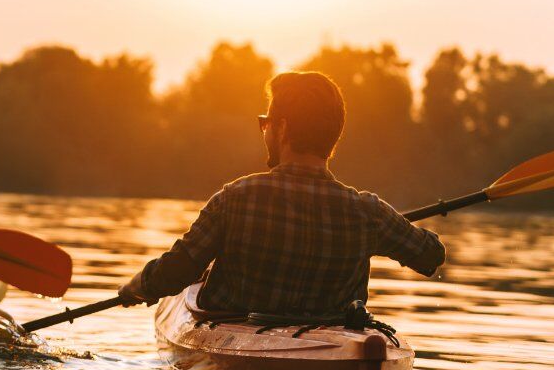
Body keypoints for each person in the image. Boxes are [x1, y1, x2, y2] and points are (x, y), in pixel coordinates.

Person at [119, 71, 445, 319]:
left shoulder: (236, 199)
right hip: (328, 346)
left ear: (284, 129)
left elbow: (177, 272)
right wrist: (387, 227)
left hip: (238, 339)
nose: (266, 133)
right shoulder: (368, 212)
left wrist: (137, 286)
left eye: (267, 124)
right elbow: (431, 256)